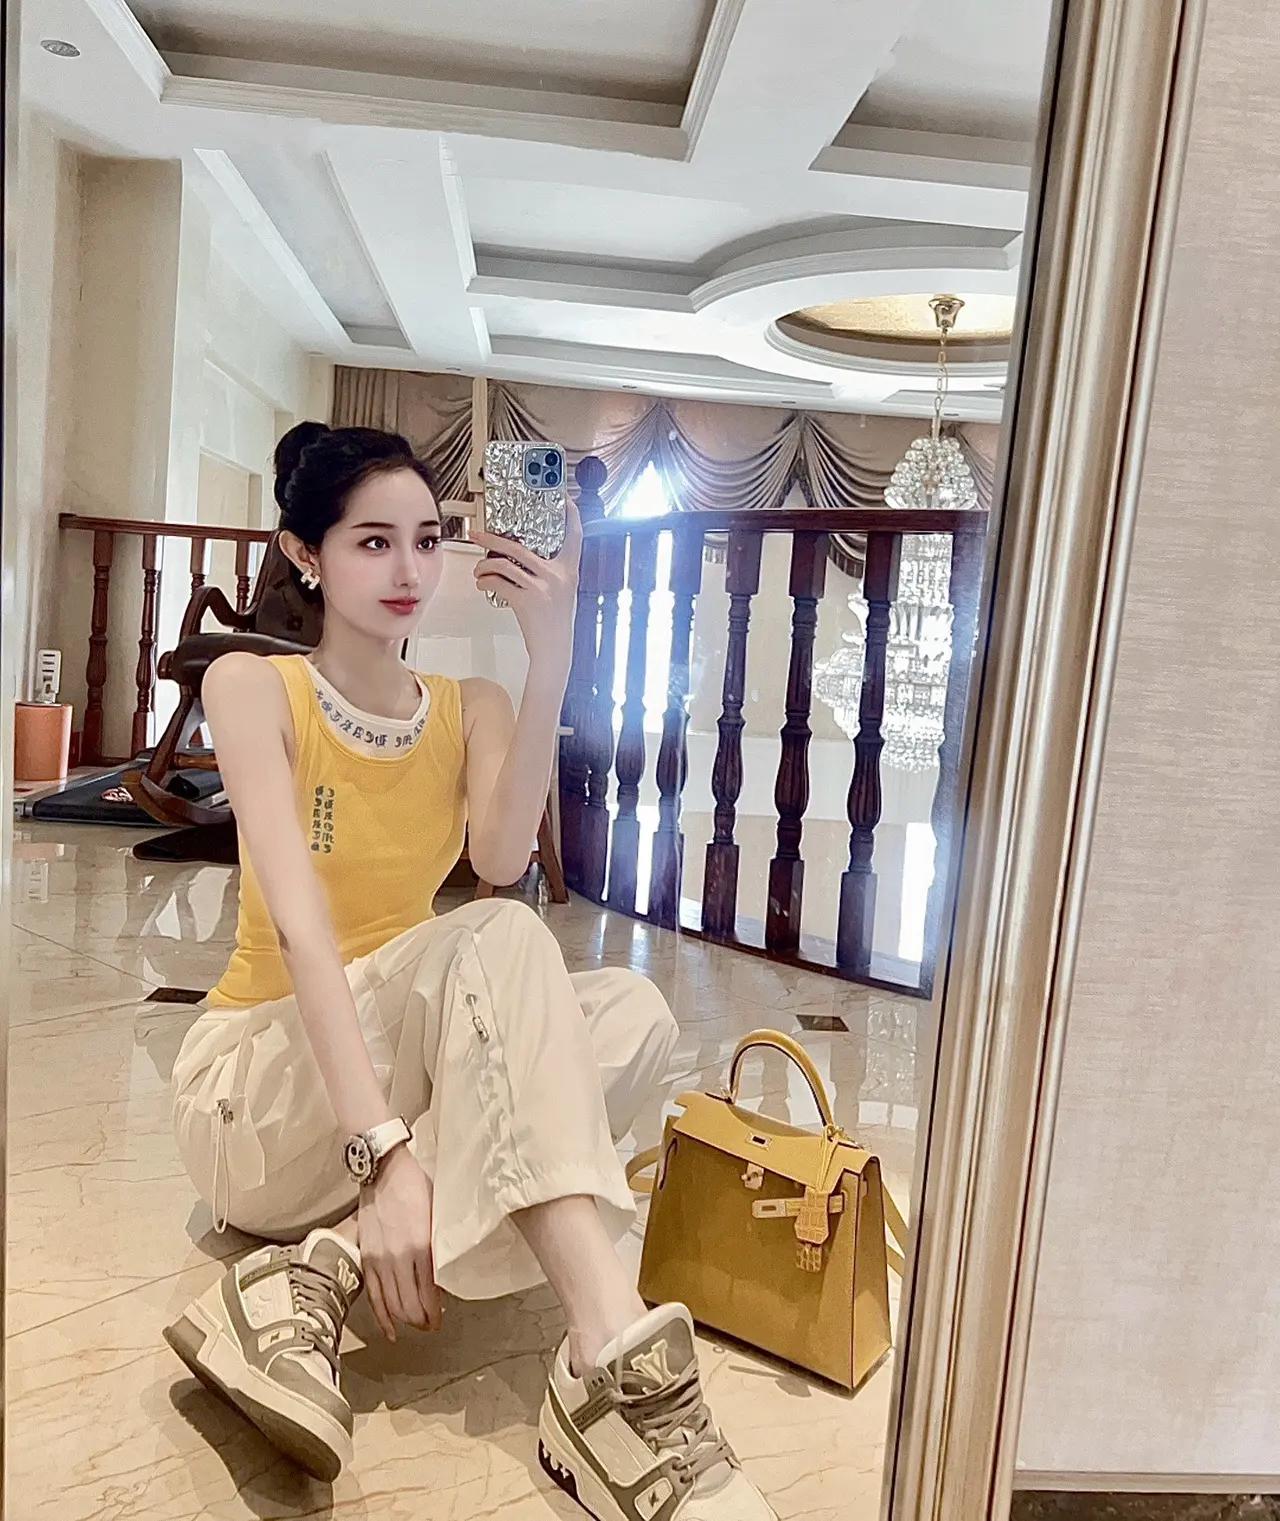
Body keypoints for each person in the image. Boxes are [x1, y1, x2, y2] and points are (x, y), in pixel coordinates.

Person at [166, 423, 776, 1519]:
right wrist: (381, 1152)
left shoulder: (468, 705)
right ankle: (610, 1367)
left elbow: (499, 855)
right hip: (256, 1097)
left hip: (387, 1088)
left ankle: (314, 1278)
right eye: (371, 542)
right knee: (496, 940)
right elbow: (302, 930)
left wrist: (554, 651)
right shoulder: (257, 688)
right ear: (304, 553)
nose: (407, 568)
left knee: (631, 1012)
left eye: (424, 539)